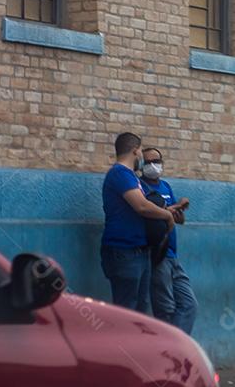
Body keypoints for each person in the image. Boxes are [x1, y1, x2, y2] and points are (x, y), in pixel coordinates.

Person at [100, 132, 174, 313]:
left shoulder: (131, 177)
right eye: (140, 150)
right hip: (124, 252)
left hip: (140, 251)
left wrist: (168, 210)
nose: (141, 155)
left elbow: (146, 205)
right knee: (127, 310)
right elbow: (141, 206)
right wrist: (166, 216)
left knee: (141, 309)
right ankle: (119, 343)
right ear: (135, 151)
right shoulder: (119, 173)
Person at [140, 147, 197, 334]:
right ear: (141, 165)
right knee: (165, 309)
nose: (153, 166)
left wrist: (180, 209)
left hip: (173, 256)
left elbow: (179, 220)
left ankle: (176, 346)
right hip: (158, 255)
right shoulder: (140, 187)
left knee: (188, 304)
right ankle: (169, 352)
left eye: (156, 161)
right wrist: (173, 208)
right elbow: (150, 214)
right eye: (148, 162)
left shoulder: (165, 186)